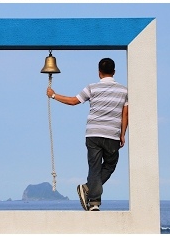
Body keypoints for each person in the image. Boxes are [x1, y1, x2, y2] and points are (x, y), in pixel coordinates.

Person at [47, 57, 129, 211]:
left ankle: (92, 198)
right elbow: (125, 114)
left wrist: (53, 95)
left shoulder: (92, 88)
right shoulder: (124, 90)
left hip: (93, 134)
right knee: (110, 165)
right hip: (112, 135)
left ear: (99, 73)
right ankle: (91, 197)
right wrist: (123, 134)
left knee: (94, 167)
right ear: (114, 72)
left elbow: (73, 101)